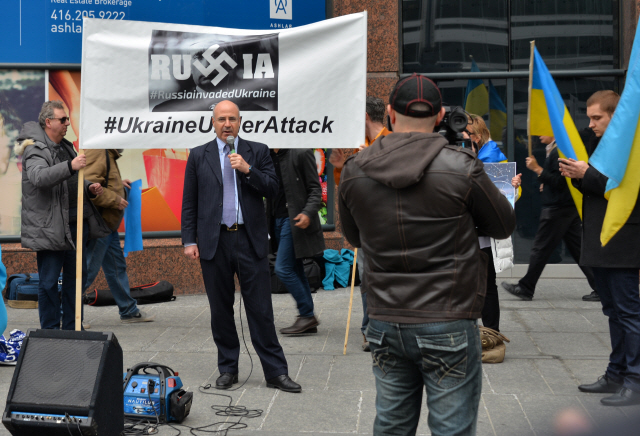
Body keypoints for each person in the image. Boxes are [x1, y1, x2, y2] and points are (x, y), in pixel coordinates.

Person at [339, 74, 516, 435]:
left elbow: (355, 237)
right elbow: (502, 225)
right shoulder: (462, 166)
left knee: (391, 424)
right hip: (447, 318)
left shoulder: (355, 169)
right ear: (439, 117)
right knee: (451, 428)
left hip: (385, 318)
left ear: (389, 113)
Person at [181, 100, 300, 393]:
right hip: (214, 242)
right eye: (221, 119)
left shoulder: (257, 151)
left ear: (240, 121)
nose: (227, 124)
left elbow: (272, 189)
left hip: (249, 239)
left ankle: (275, 371)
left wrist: (247, 169)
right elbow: (189, 203)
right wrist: (189, 240)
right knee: (220, 310)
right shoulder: (198, 155)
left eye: (231, 119)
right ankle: (228, 368)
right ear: (213, 122)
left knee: (260, 309)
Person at [560, 90, 640, 407]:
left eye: (597, 118)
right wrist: (580, 176)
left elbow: (626, 193)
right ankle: (616, 374)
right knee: (614, 313)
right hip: (602, 241)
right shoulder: (605, 145)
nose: (590, 124)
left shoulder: (632, 146)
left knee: (629, 314)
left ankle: (634, 381)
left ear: (615, 115)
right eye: (589, 117)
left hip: (623, 241)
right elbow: (602, 188)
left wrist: (587, 174)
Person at [15, 101, 110, 330]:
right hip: (51, 227)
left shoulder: (65, 146)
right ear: (48, 122)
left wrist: (87, 187)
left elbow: (69, 181)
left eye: (67, 119)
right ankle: (49, 332)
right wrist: (71, 166)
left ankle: (72, 329)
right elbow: (40, 178)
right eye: (63, 119)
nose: (67, 123)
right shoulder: (35, 148)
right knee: (48, 282)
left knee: (75, 281)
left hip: (76, 225)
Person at [501, 135, 598, 302]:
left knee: (540, 249)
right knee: (577, 249)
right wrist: (544, 181)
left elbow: (560, 181)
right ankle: (602, 288)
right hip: (564, 207)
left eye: (543, 131)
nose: (539, 135)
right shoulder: (553, 150)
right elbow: (556, 180)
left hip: (558, 208)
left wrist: (537, 169)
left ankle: (526, 287)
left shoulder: (557, 152)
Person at [329, 96, 391, 351]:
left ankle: (384, 328)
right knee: (367, 278)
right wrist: (340, 168)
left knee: (384, 279)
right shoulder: (358, 146)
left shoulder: (390, 142)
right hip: (365, 225)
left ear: (365, 116)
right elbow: (347, 190)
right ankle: (370, 329)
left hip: (388, 224)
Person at [83, 148, 155, 325]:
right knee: (87, 271)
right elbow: (88, 187)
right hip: (100, 225)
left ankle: (129, 311)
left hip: (108, 224)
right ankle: (67, 315)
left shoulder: (107, 153)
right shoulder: (99, 151)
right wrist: (115, 199)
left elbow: (101, 182)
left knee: (117, 268)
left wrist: (118, 186)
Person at [465, 115, 521, 333]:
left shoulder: (494, 158)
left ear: (477, 138)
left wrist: (514, 187)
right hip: (461, 231)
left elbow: (509, 197)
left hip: (483, 234)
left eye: (466, 136)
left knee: (487, 286)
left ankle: (491, 333)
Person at [267, 148, 325, 334]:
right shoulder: (267, 155)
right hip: (275, 220)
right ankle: (307, 317)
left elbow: (315, 189)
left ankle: (307, 316)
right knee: (295, 268)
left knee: (282, 268)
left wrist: (308, 213)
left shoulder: (301, 152)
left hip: (294, 220)